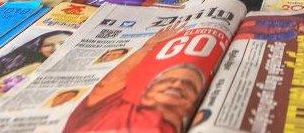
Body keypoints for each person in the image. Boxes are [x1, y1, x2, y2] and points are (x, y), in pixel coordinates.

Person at [63, 26, 204, 133]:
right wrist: (148, 48)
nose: (177, 84)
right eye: (167, 81)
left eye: (189, 86)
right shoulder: (116, 108)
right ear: (147, 92)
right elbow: (105, 86)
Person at [0, 30, 72, 107]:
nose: (56, 48)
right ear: (38, 48)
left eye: (63, 43)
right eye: (48, 45)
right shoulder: (22, 65)